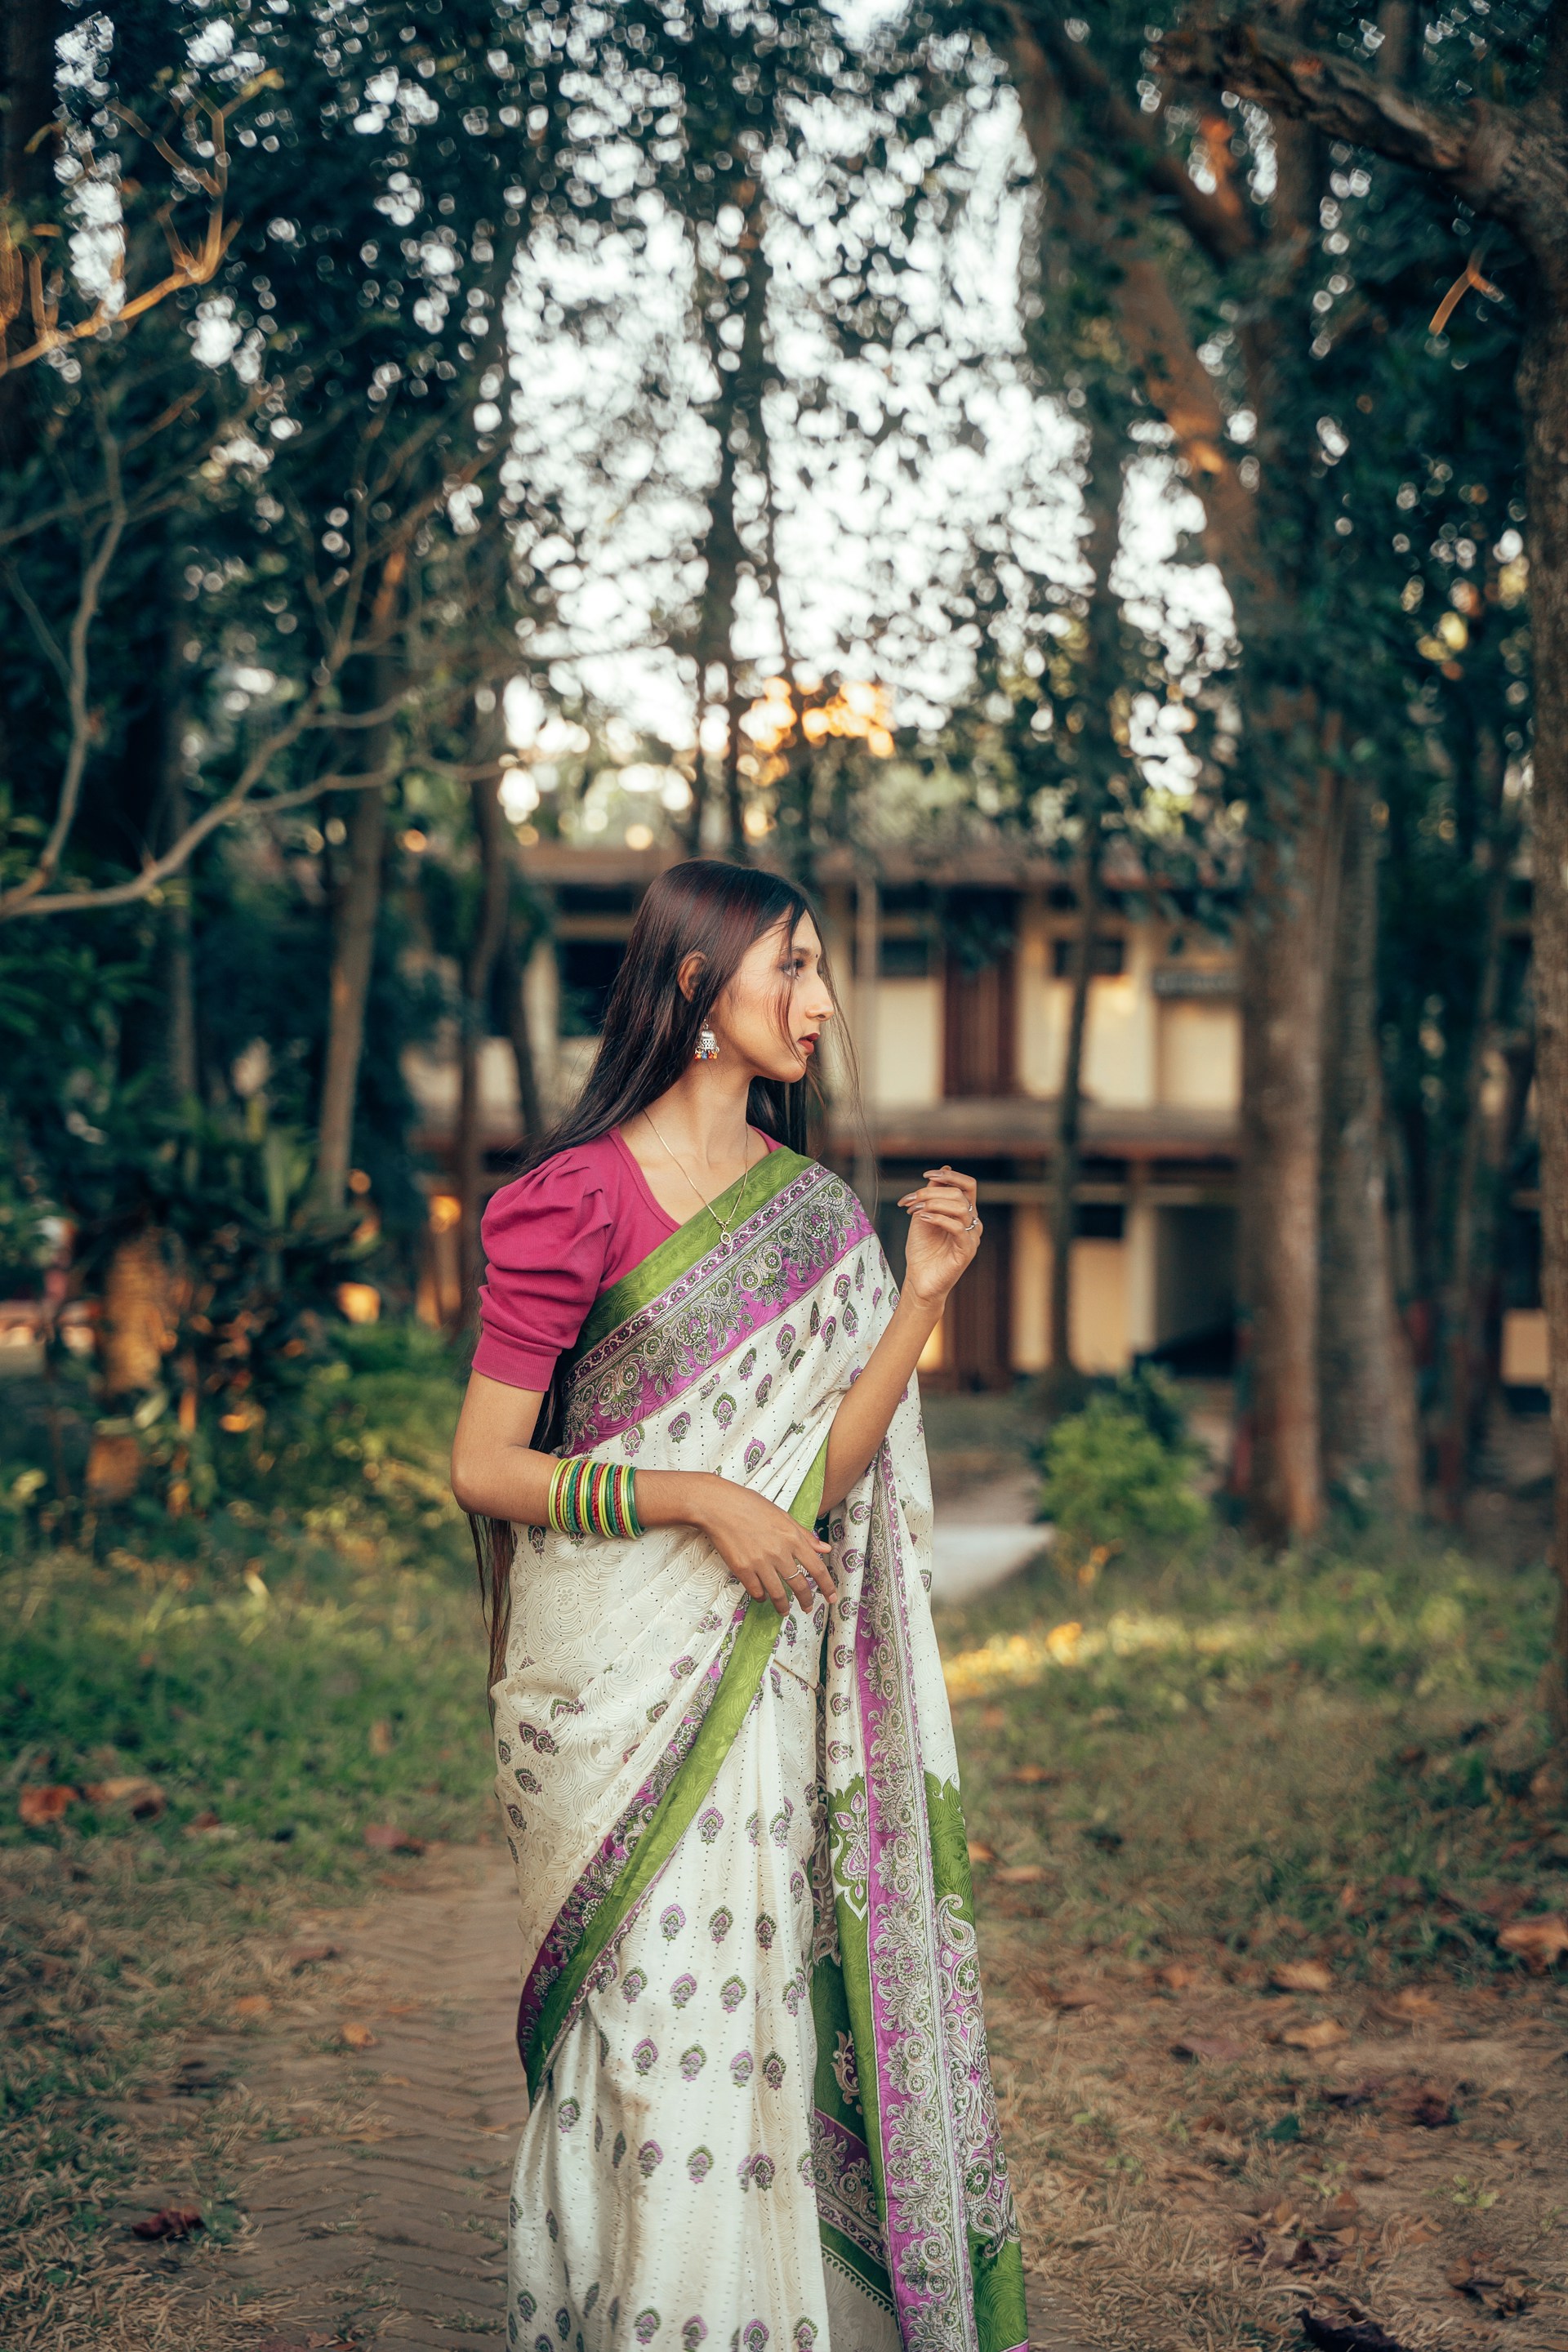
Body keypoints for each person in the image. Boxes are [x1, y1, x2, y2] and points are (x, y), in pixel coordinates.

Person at [450, 859, 1025, 2352]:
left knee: (749, 2039)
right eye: (796, 969)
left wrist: (919, 1300)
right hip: (611, 1690)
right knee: (645, 2044)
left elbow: (823, 1478)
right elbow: (484, 1467)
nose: (823, 1001)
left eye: (824, 969)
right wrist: (698, 1499)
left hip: (761, 1683)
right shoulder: (570, 1201)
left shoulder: (818, 1217)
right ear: (697, 990)